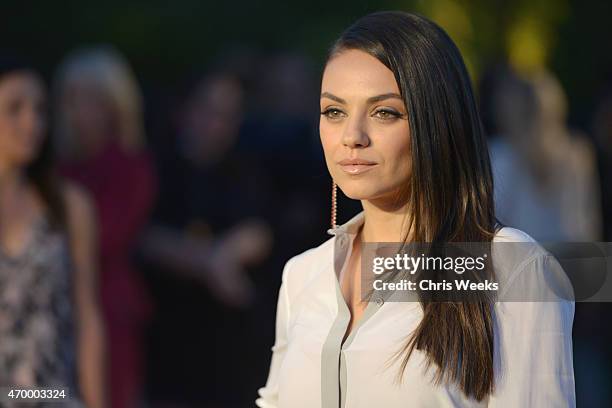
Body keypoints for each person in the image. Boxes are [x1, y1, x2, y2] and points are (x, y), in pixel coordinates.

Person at [256, 11, 575, 408]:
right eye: (334, 111)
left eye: (384, 112)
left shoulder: (510, 267)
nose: (352, 137)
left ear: (436, 123)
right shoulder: (303, 276)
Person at [53, 46, 156, 408]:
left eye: (93, 100)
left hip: (108, 315)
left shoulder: (129, 168)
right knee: (36, 394)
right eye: (73, 99)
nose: (82, 111)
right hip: (51, 317)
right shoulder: (56, 167)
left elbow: (105, 238)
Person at [0, 58, 106, 407]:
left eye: (40, 109)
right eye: (14, 108)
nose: (31, 122)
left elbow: (87, 316)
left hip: (51, 394)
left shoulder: (68, 206)